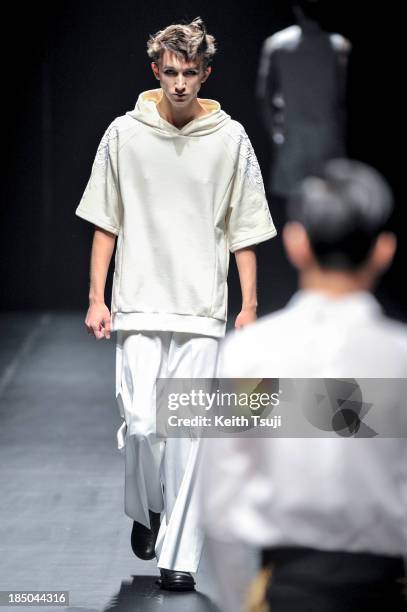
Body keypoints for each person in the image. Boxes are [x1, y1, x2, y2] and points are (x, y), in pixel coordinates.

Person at [74, 17, 277, 592]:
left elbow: (245, 229)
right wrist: (96, 297)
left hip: (201, 308)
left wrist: (249, 306)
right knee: (142, 425)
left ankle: (178, 559)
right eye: (171, 72)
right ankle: (148, 510)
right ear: (155, 71)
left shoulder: (232, 139)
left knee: (188, 434)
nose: (181, 83)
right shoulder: (123, 134)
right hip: (137, 301)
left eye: (191, 72)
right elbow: (105, 221)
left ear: (206, 73)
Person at [201, 159, 407, 610]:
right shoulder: (400, 357)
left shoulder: (248, 353)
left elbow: (220, 501)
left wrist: (242, 601)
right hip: (386, 590)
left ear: (296, 244)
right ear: (383, 251)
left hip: (288, 590)